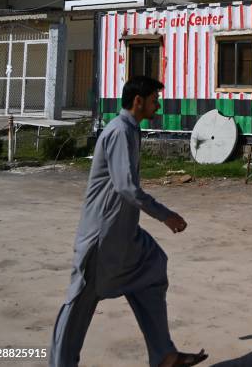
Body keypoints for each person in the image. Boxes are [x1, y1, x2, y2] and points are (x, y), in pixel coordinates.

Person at [49, 76, 208, 367]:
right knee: (81, 303)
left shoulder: (131, 130)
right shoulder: (120, 131)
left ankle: (164, 355)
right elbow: (127, 187)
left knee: (153, 267)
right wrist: (166, 215)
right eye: (153, 100)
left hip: (126, 234)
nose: (157, 106)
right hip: (102, 236)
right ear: (138, 102)